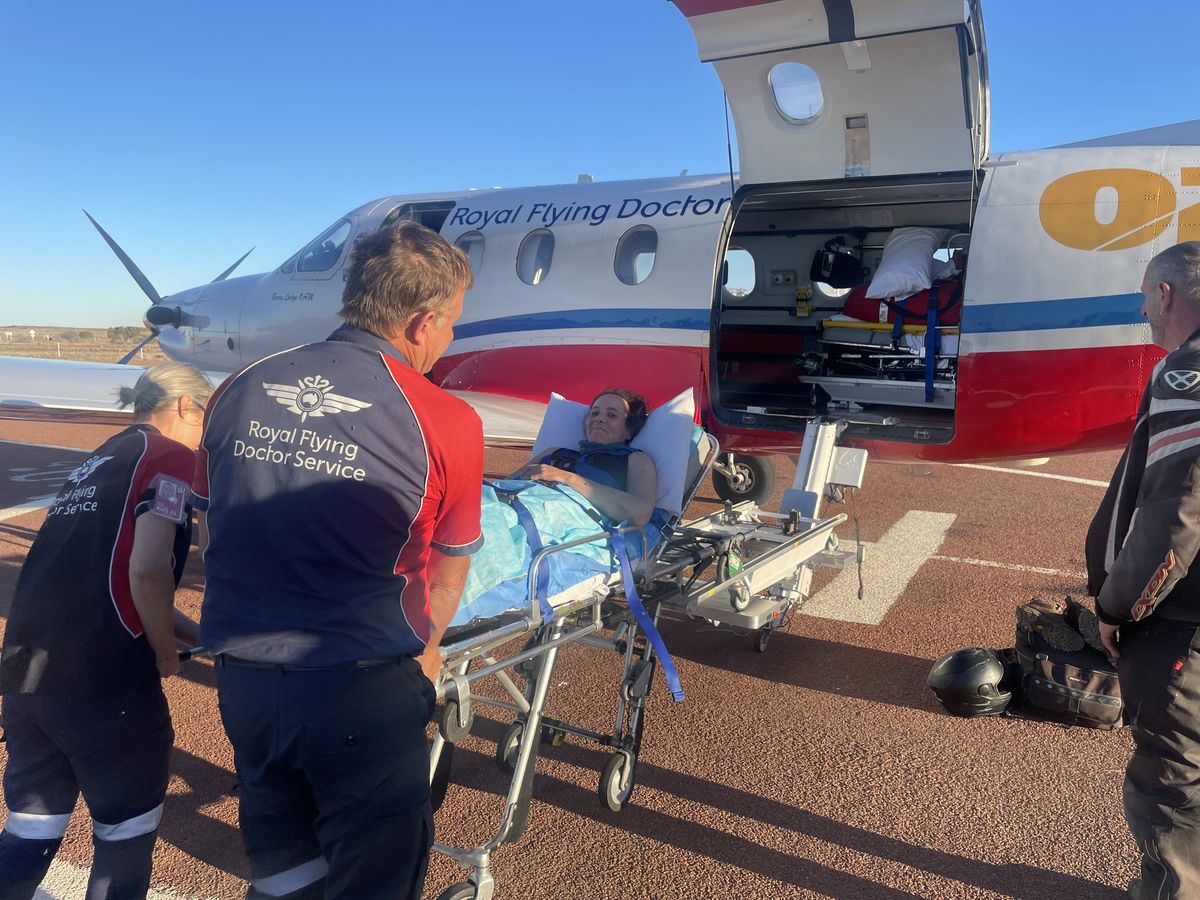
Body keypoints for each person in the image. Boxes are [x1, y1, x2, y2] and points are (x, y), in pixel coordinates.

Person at [193, 221, 482, 900]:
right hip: (362, 693)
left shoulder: (239, 386)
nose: (450, 342)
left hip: (249, 687)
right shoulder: (445, 419)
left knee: (283, 874)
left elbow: (213, 530)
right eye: (451, 326)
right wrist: (430, 655)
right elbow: (447, 570)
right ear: (422, 322)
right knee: (375, 879)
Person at [0, 363, 212, 900]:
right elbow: (146, 570)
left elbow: (113, 581)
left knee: (31, 827)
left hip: (29, 672)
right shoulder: (170, 458)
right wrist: (165, 653)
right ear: (185, 406)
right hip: (104, 680)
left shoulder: (104, 457)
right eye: (204, 415)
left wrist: (195, 635)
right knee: (125, 836)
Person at [1086, 241, 1200, 899]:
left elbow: (1173, 513)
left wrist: (1117, 607)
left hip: (1180, 624)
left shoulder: (1187, 374)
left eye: (1144, 295)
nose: (1142, 310)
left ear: (1166, 294)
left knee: (1172, 786)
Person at [515, 388, 657, 526]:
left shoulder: (634, 459)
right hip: (512, 504)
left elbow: (640, 514)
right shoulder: (553, 452)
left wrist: (568, 478)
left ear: (629, 431)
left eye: (612, 415)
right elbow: (506, 483)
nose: (599, 419)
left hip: (552, 521)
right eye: (594, 413)